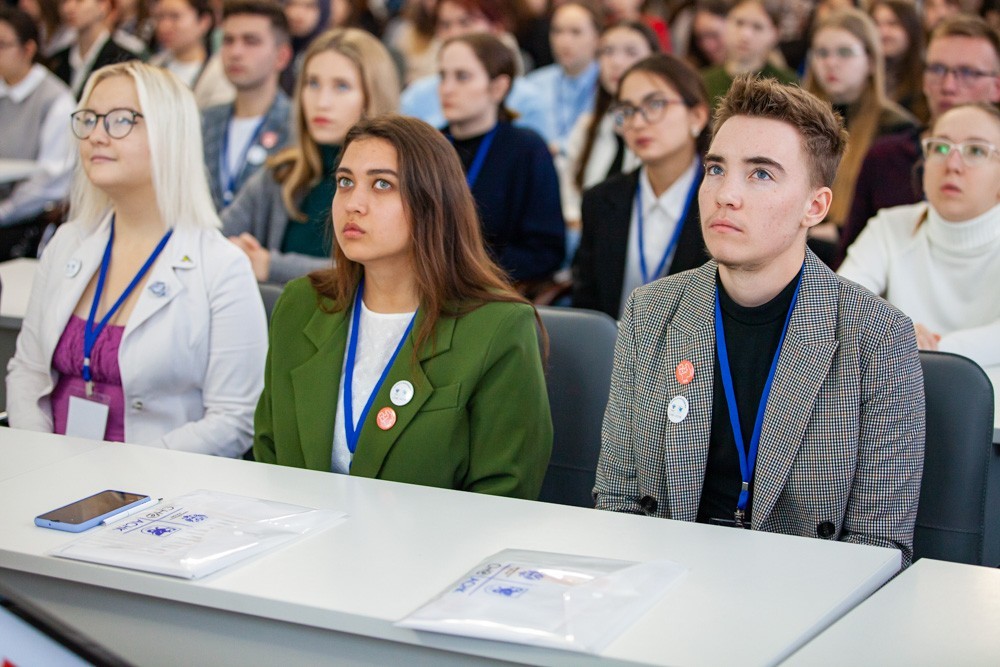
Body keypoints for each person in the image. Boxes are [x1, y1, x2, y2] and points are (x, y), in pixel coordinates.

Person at [594, 75, 925, 567]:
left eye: (761, 174)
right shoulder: (651, 312)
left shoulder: (875, 335)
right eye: (716, 169)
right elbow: (616, 501)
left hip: (803, 601)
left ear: (815, 207)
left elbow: (879, 547)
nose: (726, 194)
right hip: (664, 589)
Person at [253, 114, 553, 498]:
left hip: (432, 554)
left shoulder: (499, 327)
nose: (353, 204)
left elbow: (505, 494)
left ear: (433, 202)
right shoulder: (302, 303)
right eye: (345, 182)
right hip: (300, 548)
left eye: (382, 184)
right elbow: (268, 455)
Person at [6, 61, 268, 457]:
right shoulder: (68, 243)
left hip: (157, 491)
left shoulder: (221, 266)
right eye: (89, 119)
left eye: (121, 121)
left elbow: (235, 418)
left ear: (170, 135)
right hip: (48, 474)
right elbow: (27, 371)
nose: (96, 135)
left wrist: (122, 476)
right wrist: (43, 458)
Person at [221, 28, 399, 283]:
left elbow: (381, 272)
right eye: (312, 83)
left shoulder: (396, 180)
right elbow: (216, 236)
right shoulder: (282, 171)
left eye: (341, 86)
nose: (322, 101)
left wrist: (271, 266)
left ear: (372, 96)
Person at [839, 103, 1000, 369]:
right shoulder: (890, 227)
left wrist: (920, 345)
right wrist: (900, 335)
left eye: (975, 151)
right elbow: (841, 302)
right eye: (941, 147)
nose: (952, 164)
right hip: (897, 397)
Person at [839, 15, 1000, 263]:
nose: (948, 85)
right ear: (924, 79)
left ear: (996, 86)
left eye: (967, 72)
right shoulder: (885, 157)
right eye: (937, 69)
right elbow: (847, 269)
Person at [573, 54, 710, 318]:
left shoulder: (723, 202)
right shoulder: (601, 200)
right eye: (626, 110)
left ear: (697, 116)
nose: (637, 122)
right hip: (611, 349)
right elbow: (587, 303)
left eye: (655, 104)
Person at [438, 32, 564, 285]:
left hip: (492, 291)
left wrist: (466, 265)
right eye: (442, 76)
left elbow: (545, 251)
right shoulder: (429, 144)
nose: (447, 89)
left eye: (462, 76)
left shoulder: (527, 149)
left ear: (498, 88)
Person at [803, 8, 916, 240]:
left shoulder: (897, 129)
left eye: (845, 52)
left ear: (871, 60)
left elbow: (892, 220)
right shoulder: (797, 122)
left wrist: (835, 233)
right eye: (822, 53)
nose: (831, 63)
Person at [560, 19, 658, 228]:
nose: (616, 62)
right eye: (607, 51)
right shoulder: (587, 126)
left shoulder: (664, 129)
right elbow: (567, 186)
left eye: (630, 52)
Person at [400, 0, 547, 138]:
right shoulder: (415, 97)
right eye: (445, 25)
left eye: (465, 22)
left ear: (497, 26)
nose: (454, 34)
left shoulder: (529, 100)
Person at [202, 0, 292, 211]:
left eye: (251, 41)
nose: (236, 52)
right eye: (228, 40)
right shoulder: (201, 121)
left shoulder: (298, 127)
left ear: (282, 56)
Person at [0, 7, 75, 247]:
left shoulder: (55, 99)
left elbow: (50, 179)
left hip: (26, 222)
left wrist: (5, 211)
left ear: (28, 49)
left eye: (2, 45)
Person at [523, 1, 601, 152]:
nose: (564, 41)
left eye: (576, 32)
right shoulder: (533, 83)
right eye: (557, 31)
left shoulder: (607, 83)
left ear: (597, 38)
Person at [700, 0, 797, 108]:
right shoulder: (703, 81)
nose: (745, 35)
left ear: (775, 34)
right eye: (739, 23)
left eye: (757, 27)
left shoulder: (788, 85)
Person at [46, 0, 142, 98]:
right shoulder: (56, 61)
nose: (69, 8)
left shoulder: (123, 60)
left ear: (103, 5)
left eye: (80, 1)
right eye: (64, 1)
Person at [149, 0, 234, 108]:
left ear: (204, 21)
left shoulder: (220, 72)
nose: (164, 26)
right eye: (159, 17)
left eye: (175, 17)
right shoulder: (152, 65)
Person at [870, 0, 927, 120]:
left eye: (893, 24)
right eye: (875, 24)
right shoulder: (862, 80)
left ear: (911, 29)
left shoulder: (925, 78)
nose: (883, 33)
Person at [278, 0, 329, 94]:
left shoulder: (328, 51)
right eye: (290, 4)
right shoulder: (270, 45)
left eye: (309, 6)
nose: (297, 13)